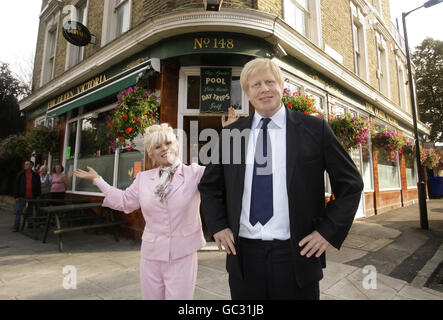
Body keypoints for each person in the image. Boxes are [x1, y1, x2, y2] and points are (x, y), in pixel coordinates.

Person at [198, 58, 364, 300]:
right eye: (255, 85)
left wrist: (328, 231)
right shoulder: (233, 134)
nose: (264, 89)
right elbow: (210, 185)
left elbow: (351, 185)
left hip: (297, 256)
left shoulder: (315, 130)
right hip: (244, 257)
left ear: (281, 86)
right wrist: (218, 225)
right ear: (247, 92)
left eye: (269, 82)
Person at [13, 160, 41, 232]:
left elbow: (38, 186)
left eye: (27, 164)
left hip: (32, 196)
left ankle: (30, 224)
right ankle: (16, 227)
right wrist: (16, 196)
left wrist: (38, 195)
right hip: (21, 196)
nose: (25, 165)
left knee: (31, 211)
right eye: (25, 164)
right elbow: (16, 185)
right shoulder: (20, 174)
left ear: (31, 166)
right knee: (18, 211)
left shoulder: (36, 175)